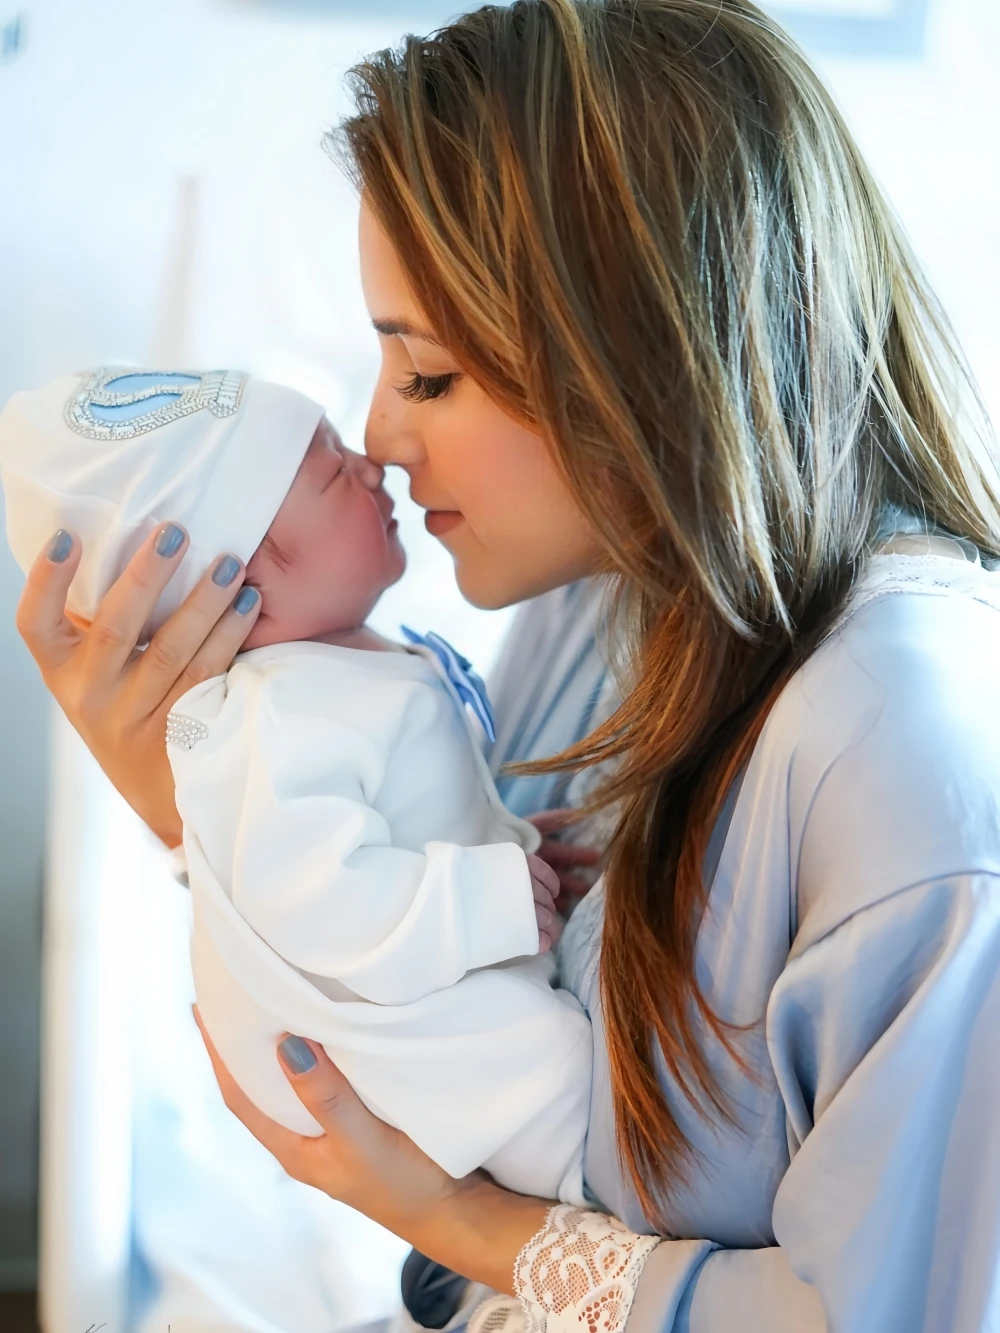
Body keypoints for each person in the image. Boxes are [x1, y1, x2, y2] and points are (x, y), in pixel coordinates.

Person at [15, 1, 1000, 1329]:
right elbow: (464, 1008)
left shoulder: (904, 768)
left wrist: (454, 1224)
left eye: (426, 376)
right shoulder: (607, 604)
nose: (378, 433)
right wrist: (207, 812)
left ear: (637, 353)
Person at [0, 367, 591, 1203]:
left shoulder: (330, 676)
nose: (373, 464)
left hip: (434, 1029)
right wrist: (479, 901)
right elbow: (315, 897)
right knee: (562, 1083)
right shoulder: (276, 716)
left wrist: (507, 849)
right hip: (428, 1067)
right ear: (244, 578)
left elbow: (394, 825)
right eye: (331, 469)